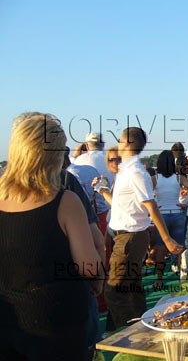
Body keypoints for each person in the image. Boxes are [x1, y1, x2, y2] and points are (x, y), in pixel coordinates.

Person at [0, 114, 103, 360]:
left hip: (8, 322)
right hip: (58, 325)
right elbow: (89, 267)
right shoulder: (65, 201)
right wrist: (98, 281)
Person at [104, 127, 183, 328]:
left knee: (114, 291)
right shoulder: (129, 171)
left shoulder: (135, 172)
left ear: (128, 144)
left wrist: (166, 239)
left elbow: (151, 205)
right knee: (132, 288)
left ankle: (127, 334)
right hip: (129, 236)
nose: (118, 144)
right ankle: (141, 327)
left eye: (120, 141)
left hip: (129, 237)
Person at [152, 150, 188, 286]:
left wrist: (154, 206)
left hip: (162, 214)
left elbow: (146, 194)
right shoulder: (179, 178)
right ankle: (183, 277)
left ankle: (159, 279)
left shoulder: (155, 178)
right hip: (178, 212)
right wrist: (187, 204)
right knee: (180, 248)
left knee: (161, 247)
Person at [74, 132, 114, 237]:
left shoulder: (79, 160)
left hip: (93, 212)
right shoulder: (114, 159)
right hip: (115, 210)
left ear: (87, 146)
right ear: (103, 145)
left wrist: (75, 155)